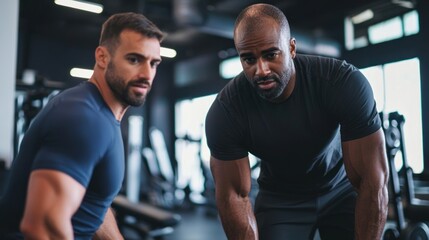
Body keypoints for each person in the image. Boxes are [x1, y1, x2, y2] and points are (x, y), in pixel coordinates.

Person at [205, 3, 389, 240]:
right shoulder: (227, 111)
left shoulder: (340, 82)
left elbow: (372, 181)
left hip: (340, 188)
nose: (261, 70)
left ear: (291, 48)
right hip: (280, 199)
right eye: (248, 59)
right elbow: (234, 197)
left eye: (271, 54)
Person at [0, 12, 163, 239]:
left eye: (153, 63)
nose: (147, 74)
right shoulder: (84, 117)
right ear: (102, 57)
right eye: (134, 59)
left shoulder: (101, 115)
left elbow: (92, 204)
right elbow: (43, 228)